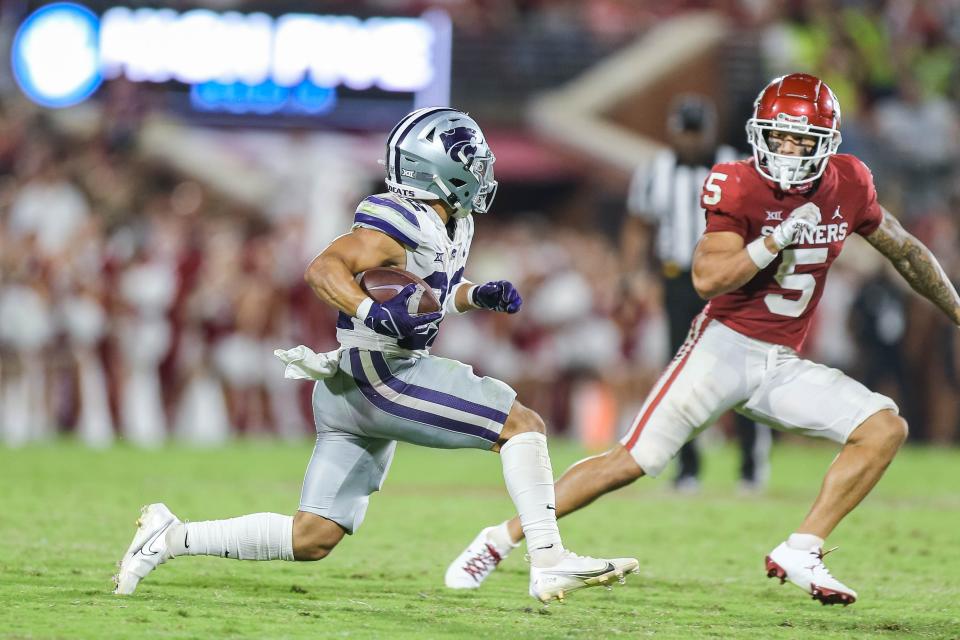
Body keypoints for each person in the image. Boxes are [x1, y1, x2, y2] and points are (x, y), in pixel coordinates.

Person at [444, 74, 960, 605]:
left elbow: (905, 250)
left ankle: (802, 547)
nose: (784, 149)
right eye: (775, 136)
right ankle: (498, 539)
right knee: (633, 461)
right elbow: (707, 279)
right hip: (722, 348)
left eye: (797, 140)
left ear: (825, 145)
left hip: (780, 364)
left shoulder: (850, 182)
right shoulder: (736, 181)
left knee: (884, 427)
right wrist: (774, 240)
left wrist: (956, 309)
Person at [113, 107, 637, 604]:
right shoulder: (401, 218)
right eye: (470, 161)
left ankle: (171, 536)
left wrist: (474, 296)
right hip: (381, 376)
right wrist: (368, 310)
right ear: (438, 168)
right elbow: (324, 268)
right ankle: (548, 558)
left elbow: (424, 295)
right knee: (521, 425)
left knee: (312, 536)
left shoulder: (451, 221)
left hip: (351, 387)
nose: (480, 171)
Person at [623, 93, 770, 492]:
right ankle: (688, 468)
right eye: (684, 132)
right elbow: (640, 224)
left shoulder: (738, 167)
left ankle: (750, 465)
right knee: (680, 372)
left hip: (728, 277)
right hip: (678, 279)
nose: (689, 141)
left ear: (709, 131)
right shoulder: (654, 171)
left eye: (695, 132)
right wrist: (632, 273)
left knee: (740, 369)